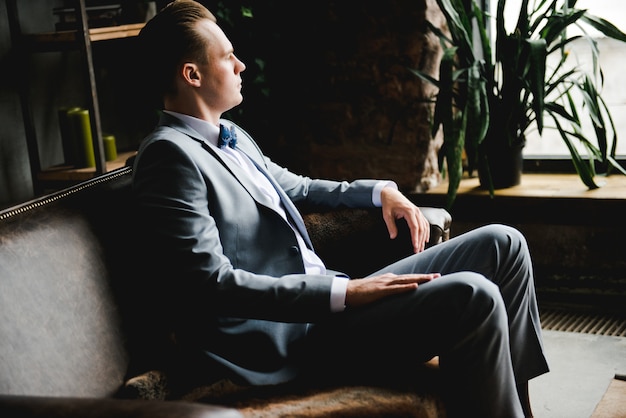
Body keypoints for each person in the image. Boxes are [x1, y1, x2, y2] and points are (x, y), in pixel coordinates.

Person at [131, 1, 549, 416]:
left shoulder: (230, 134)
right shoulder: (170, 156)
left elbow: (302, 187)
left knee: (504, 244)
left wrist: (381, 191)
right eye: (227, 57)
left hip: (332, 300)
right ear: (192, 74)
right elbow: (211, 284)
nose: (241, 65)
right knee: (475, 296)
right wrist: (344, 292)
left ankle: (522, 408)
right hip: (296, 337)